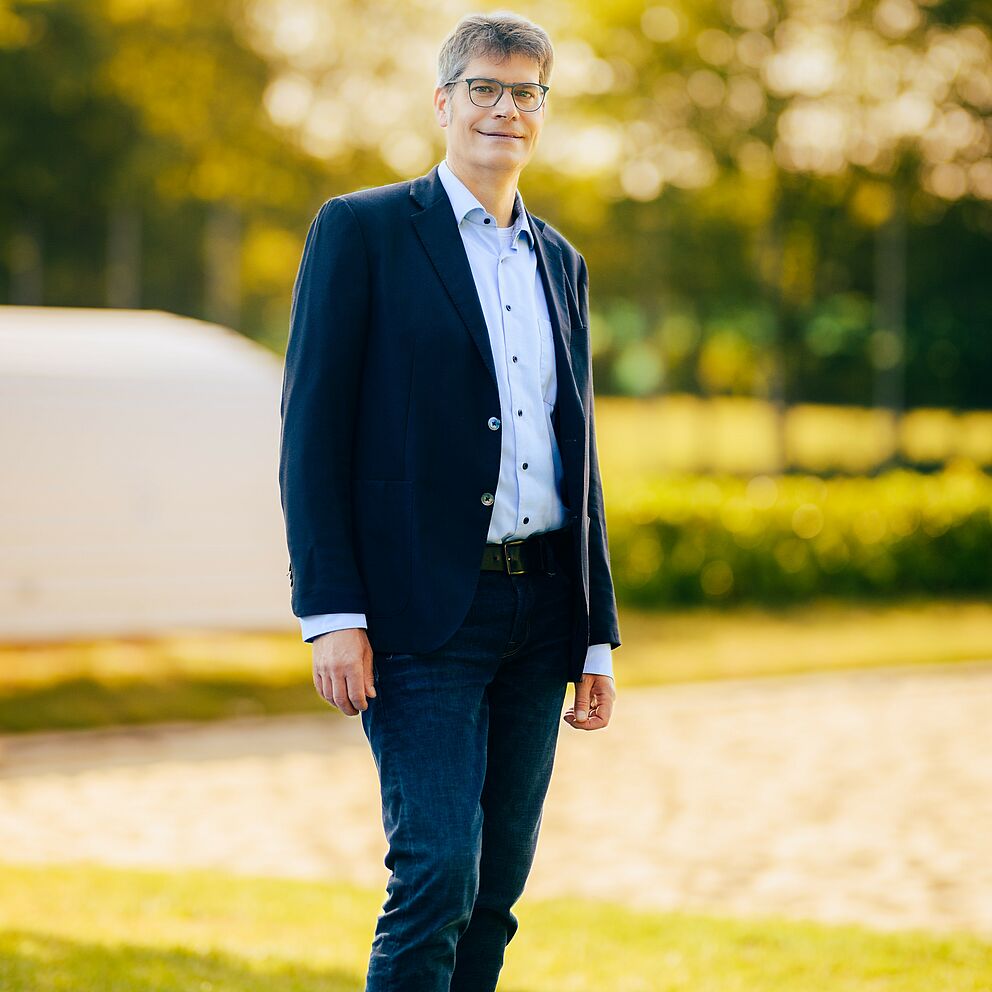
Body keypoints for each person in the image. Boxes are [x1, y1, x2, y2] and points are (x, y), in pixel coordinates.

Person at [278, 11, 621, 990]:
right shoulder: (364, 231)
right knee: (435, 869)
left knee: (496, 888)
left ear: (542, 114)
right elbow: (311, 437)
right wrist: (330, 611)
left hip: (541, 607)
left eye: (525, 93)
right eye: (484, 87)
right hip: (421, 613)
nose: (503, 109)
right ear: (442, 101)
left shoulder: (561, 262)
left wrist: (593, 632)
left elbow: (580, 451)